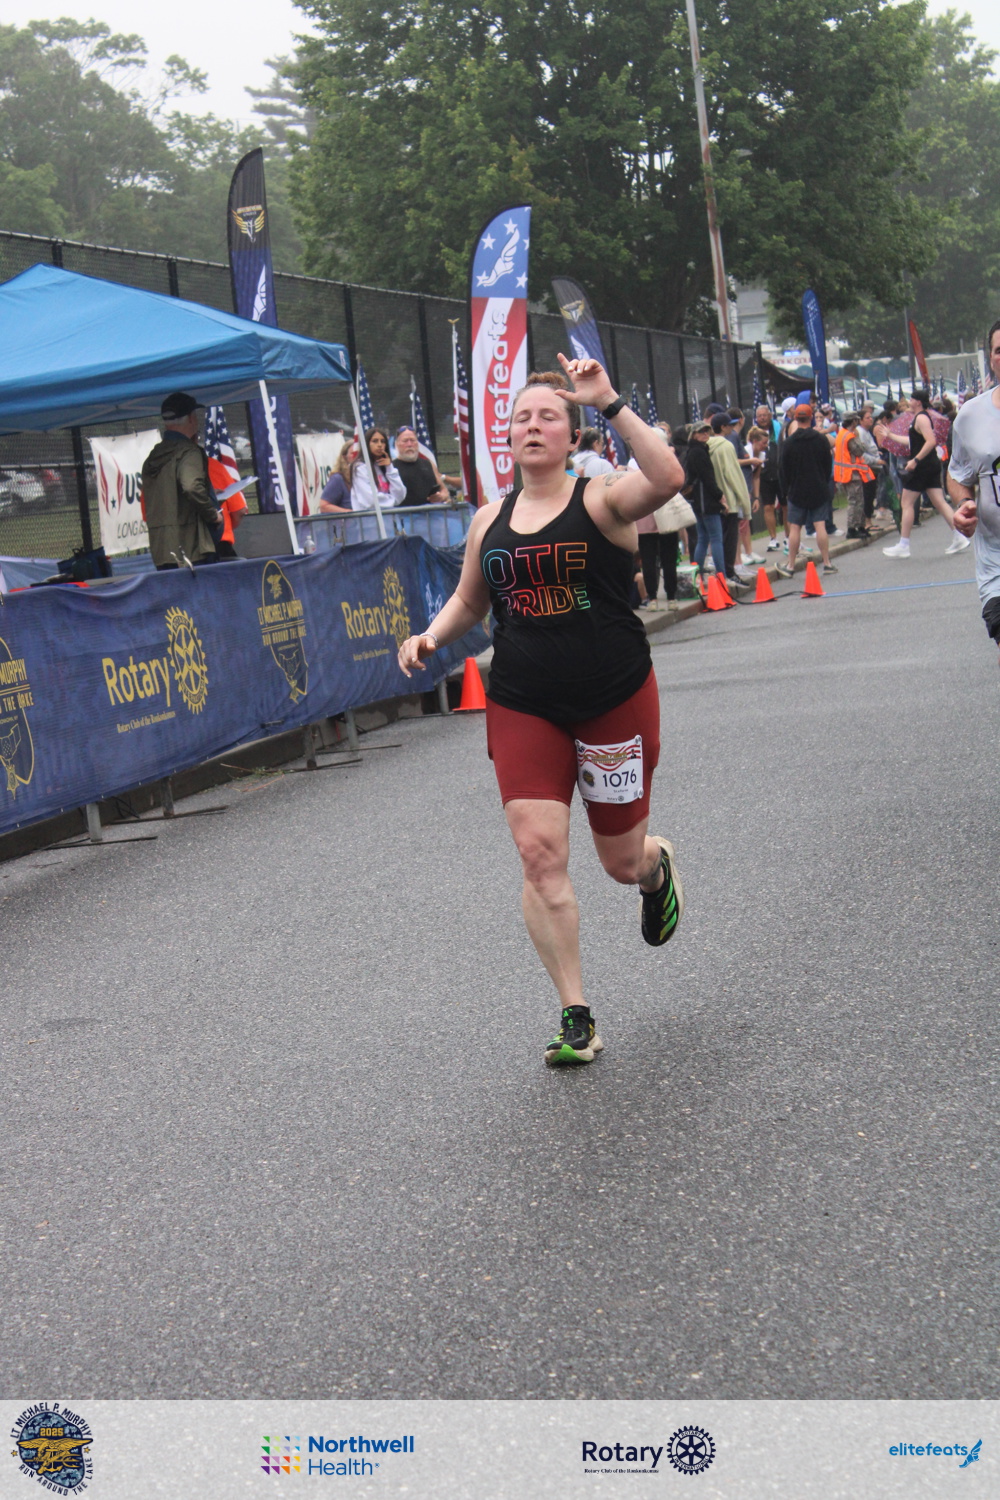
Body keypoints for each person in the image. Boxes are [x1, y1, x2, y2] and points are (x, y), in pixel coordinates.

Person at [397, 355, 686, 1067]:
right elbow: (471, 599)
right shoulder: (488, 520)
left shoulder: (603, 498)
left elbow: (668, 479)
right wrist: (432, 635)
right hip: (525, 701)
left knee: (620, 862)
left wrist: (609, 399)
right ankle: (575, 1015)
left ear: (570, 435)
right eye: (522, 417)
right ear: (508, 435)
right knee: (538, 853)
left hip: (613, 696)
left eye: (549, 417)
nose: (533, 426)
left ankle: (655, 869)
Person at [947, 318, 1000, 660]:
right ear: (991, 358)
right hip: (996, 560)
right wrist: (964, 503)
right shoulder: (970, 416)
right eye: (999, 350)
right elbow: (957, 474)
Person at [883, 389, 970, 558]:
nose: (909, 402)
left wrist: (915, 460)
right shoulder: (919, 418)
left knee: (906, 503)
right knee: (939, 502)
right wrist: (891, 435)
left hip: (922, 466)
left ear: (918, 402)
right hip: (929, 465)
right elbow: (913, 441)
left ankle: (904, 544)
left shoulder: (921, 418)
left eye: (911, 399)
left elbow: (931, 441)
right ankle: (959, 536)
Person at [141, 392, 222, 570]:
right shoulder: (188, 452)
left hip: (163, 550)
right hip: (192, 550)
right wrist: (213, 515)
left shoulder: (153, 456)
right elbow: (191, 486)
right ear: (191, 418)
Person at [775, 403, 837, 576]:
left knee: (795, 528)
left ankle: (791, 565)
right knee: (820, 525)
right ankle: (827, 563)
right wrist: (823, 481)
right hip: (818, 487)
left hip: (796, 489)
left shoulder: (789, 443)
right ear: (811, 418)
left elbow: (783, 468)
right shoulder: (821, 440)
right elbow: (827, 464)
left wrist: (786, 489)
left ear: (795, 418)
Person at [707, 412, 748, 587]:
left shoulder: (706, 445)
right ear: (722, 427)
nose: (732, 427)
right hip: (729, 498)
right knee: (730, 538)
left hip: (713, 498)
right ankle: (729, 572)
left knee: (716, 538)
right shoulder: (726, 446)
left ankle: (720, 572)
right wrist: (743, 498)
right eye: (729, 425)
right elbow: (732, 474)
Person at [686, 420, 728, 580]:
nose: (705, 434)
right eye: (701, 431)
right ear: (694, 435)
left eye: (707, 431)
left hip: (697, 501)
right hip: (706, 501)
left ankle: (697, 576)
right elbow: (707, 478)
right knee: (716, 538)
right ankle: (721, 575)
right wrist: (720, 496)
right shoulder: (699, 452)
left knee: (702, 538)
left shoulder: (692, 451)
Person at [833, 413, 873, 539]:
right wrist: (859, 439)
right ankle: (852, 528)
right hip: (851, 474)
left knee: (856, 501)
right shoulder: (850, 436)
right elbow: (859, 450)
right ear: (853, 421)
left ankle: (859, 527)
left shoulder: (841, 434)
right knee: (856, 502)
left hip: (844, 473)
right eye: (857, 420)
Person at [349, 427, 406, 512]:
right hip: (369, 519)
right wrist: (393, 500)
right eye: (375, 441)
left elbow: (400, 494)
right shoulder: (360, 468)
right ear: (367, 444)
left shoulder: (385, 466)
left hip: (389, 518)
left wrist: (389, 468)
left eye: (382, 441)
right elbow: (370, 500)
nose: (379, 445)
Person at [394, 426, 450, 504]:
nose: (409, 444)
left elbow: (444, 490)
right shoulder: (391, 468)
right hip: (402, 511)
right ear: (397, 444)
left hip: (431, 510)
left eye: (412, 440)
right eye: (405, 441)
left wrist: (441, 496)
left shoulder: (429, 464)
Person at [318, 445, 355, 512]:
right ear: (344, 457)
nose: (356, 456)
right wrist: (349, 513)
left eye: (359, 453)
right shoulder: (338, 479)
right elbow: (324, 506)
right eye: (353, 453)